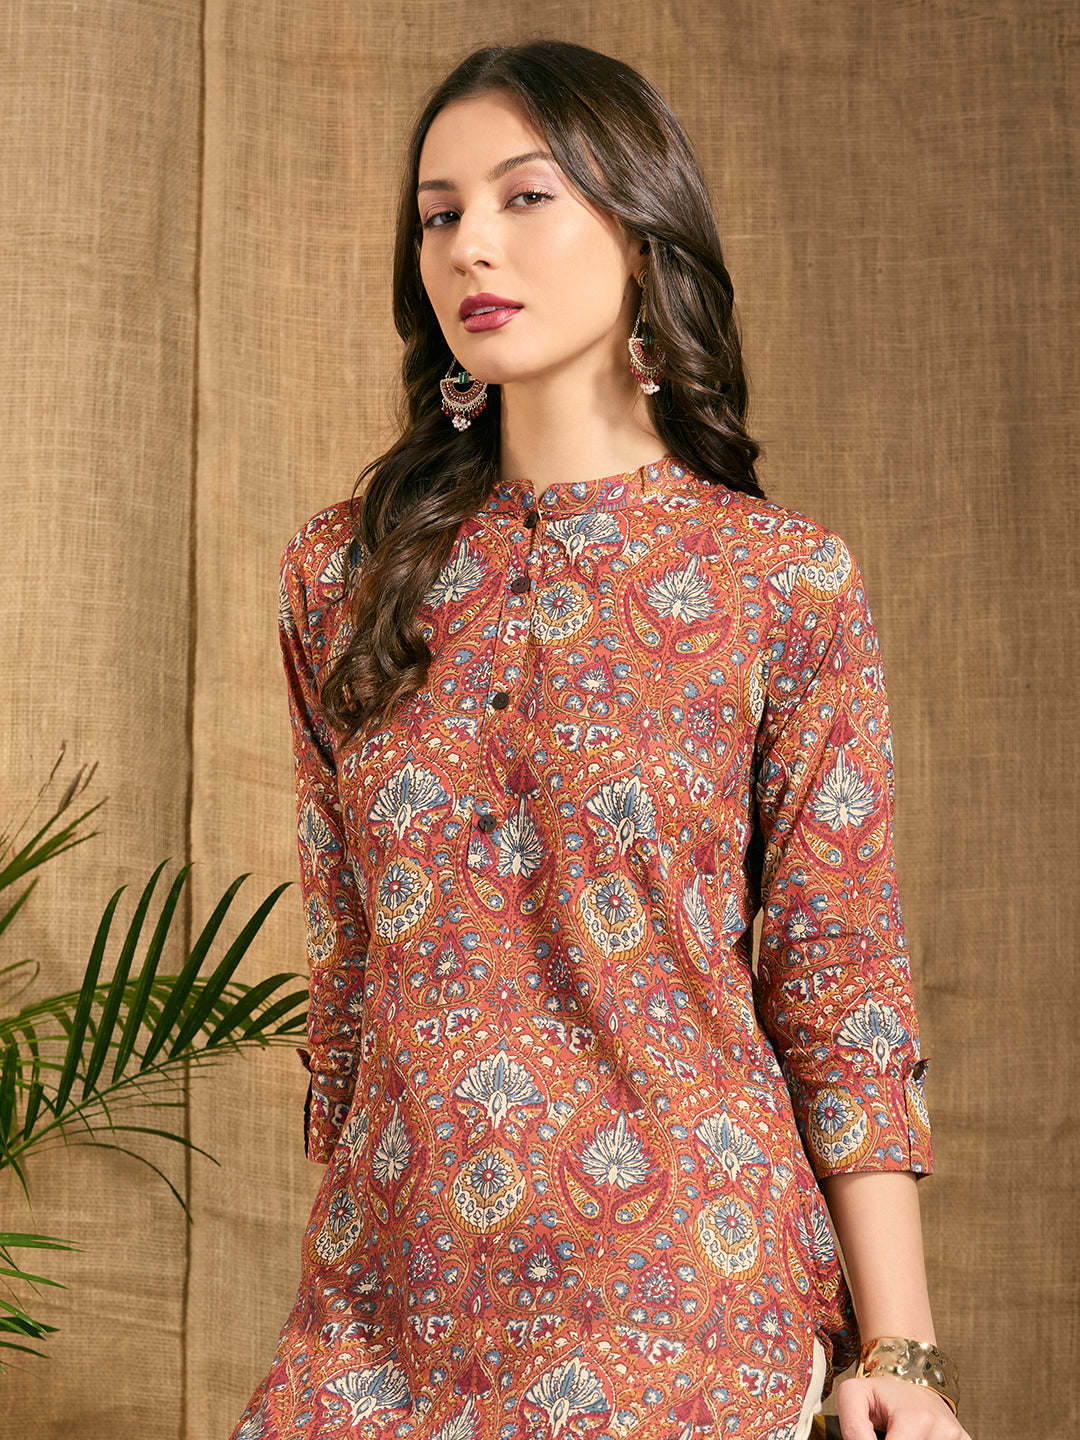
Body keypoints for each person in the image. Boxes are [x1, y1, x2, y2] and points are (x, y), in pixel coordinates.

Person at [232, 41, 968, 1440]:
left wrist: (902, 1353)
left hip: (688, 1292)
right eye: (440, 214)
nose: (470, 246)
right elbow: (349, 973)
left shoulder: (779, 584)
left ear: (642, 231)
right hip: (386, 1305)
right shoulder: (342, 577)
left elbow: (841, 980)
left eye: (526, 198)